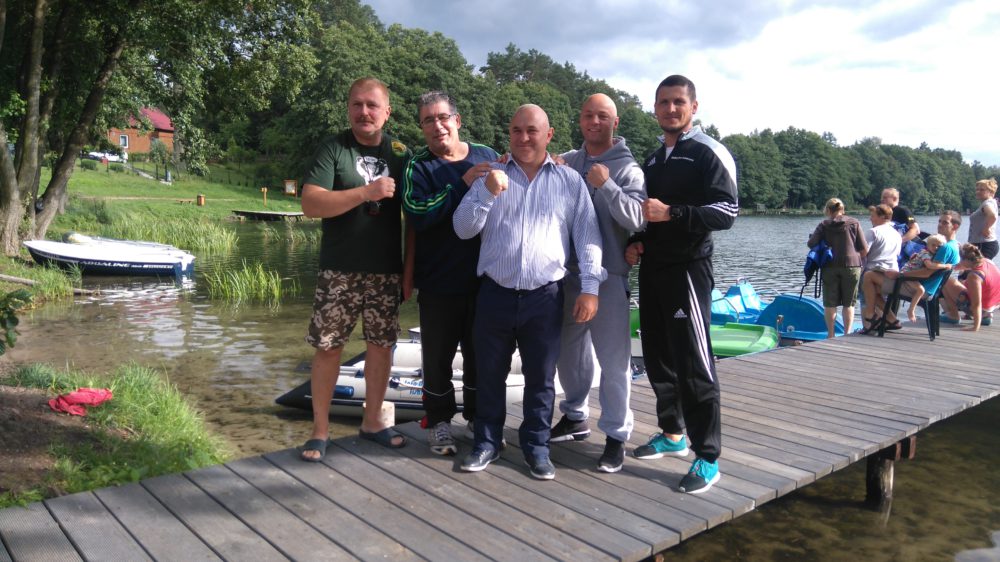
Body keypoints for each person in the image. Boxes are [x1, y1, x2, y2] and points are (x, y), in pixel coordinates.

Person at [453, 104, 605, 481]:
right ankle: (487, 442)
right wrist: (487, 194)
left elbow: (588, 236)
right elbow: (462, 228)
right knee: (489, 374)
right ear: (509, 133)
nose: (523, 138)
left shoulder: (569, 181)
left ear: (548, 135)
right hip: (495, 292)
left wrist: (590, 287)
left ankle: (537, 447)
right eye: (517, 130)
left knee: (541, 379)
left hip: (545, 296)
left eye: (532, 131)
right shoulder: (491, 175)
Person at [624, 75, 738, 494]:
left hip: (688, 269)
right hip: (653, 268)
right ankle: (672, 433)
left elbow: (727, 212)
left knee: (694, 361)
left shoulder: (709, 151)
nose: (670, 109)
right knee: (657, 356)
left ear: (693, 107)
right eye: (663, 102)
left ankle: (707, 456)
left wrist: (672, 213)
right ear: (655, 108)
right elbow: (647, 215)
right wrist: (637, 241)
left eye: (678, 102)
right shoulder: (655, 159)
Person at [298, 77, 412, 461]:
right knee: (328, 348)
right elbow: (311, 204)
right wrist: (366, 192)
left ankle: (373, 422)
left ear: (387, 112)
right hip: (339, 270)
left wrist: (409, 272)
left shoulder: (401, 153)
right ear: (348, 108)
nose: (364, 112)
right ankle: (320, 431)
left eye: (372, 105)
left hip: (385, 271)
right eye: (357, 104)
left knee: (381, 347)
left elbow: (416, 217)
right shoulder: (334, 148)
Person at [550, 93, 645, 473]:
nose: (594, 121)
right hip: (569, 276)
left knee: (614, 361)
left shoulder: (629, 169)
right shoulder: (570, 160)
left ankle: (616, 435)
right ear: (580, 119)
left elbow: (638, 218)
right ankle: (575, 415)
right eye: (588, 115)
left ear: (615, 122)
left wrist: (607, 185)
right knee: (568, 352)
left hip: (609, 278)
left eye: (602, 116)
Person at [401, 91, 498, 455]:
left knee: (480, 356)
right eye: (428, 120)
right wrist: (461, 184)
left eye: (442, 117)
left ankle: (476, 418)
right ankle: (439, 422)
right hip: (438, 282)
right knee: (437, 358)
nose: (437, 126)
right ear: (422, 127)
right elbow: (417, 213)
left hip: (485, 280)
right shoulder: (418, 165)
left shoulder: (486, 155)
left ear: (457, 120)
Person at [880, 211, 962, 328]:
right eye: (939, 221)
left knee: (870, 279)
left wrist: (900, 275)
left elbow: (926, 273)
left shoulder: (945, 248)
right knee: (874, 279)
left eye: (945, 222)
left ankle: (886, 321)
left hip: (923, 289)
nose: (940, 224)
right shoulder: (955, 245)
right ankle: (889, 320)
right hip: (929, 288)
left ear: (955, 226)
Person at [807, 198, 868, 338]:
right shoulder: (854, 223)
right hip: (852, 266)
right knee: (849, 303)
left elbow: (811, 243)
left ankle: (831, 335)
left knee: (830, 303)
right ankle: (847, 333)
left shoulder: (824, 224)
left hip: (829, 266)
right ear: (843, 209)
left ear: (828, 210)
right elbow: (864, 249)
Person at [860, 204, 902, 328]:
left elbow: (864, 252)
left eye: (873, 216)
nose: (870, 219)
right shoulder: (897, 234)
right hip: (892, 273)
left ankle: (868, 326)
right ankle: (890, 320)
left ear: (882, 217)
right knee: (878, 297)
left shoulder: (873, 232)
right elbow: (897, 254)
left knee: (865, 299)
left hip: (874, 270)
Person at [941, 243, 1000, 331]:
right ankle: (986, 316)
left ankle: (953, 316)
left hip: (980, 309)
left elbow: (976, 303)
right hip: (993, 307)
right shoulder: (987, 261)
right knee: (963, 282)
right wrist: (957, 266)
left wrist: (975, 327)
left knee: (945, 280)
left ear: (966, 260)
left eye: (960, 259)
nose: (959, 262)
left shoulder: (974, 276)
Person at [894, 234, 946, 322]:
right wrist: (945, 265)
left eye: (939, 246)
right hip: (906, 274)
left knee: (920, 289)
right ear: (928, 245)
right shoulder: (925, 254)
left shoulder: (930, 254)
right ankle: (911, 310)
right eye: (933, 245)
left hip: (913, 275)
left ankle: (911, 309)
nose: (936, 248)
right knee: (920, 290)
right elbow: (929, 265)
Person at [968, 178, 998, 259]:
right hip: (981, 244)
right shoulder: (987, 203)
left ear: (991, 192)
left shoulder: (987, 203)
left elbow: (992, 216)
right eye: (977, 189)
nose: (978, 191)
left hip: (984, 244)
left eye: (982, 190)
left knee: (978, 267)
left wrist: (986, 228)